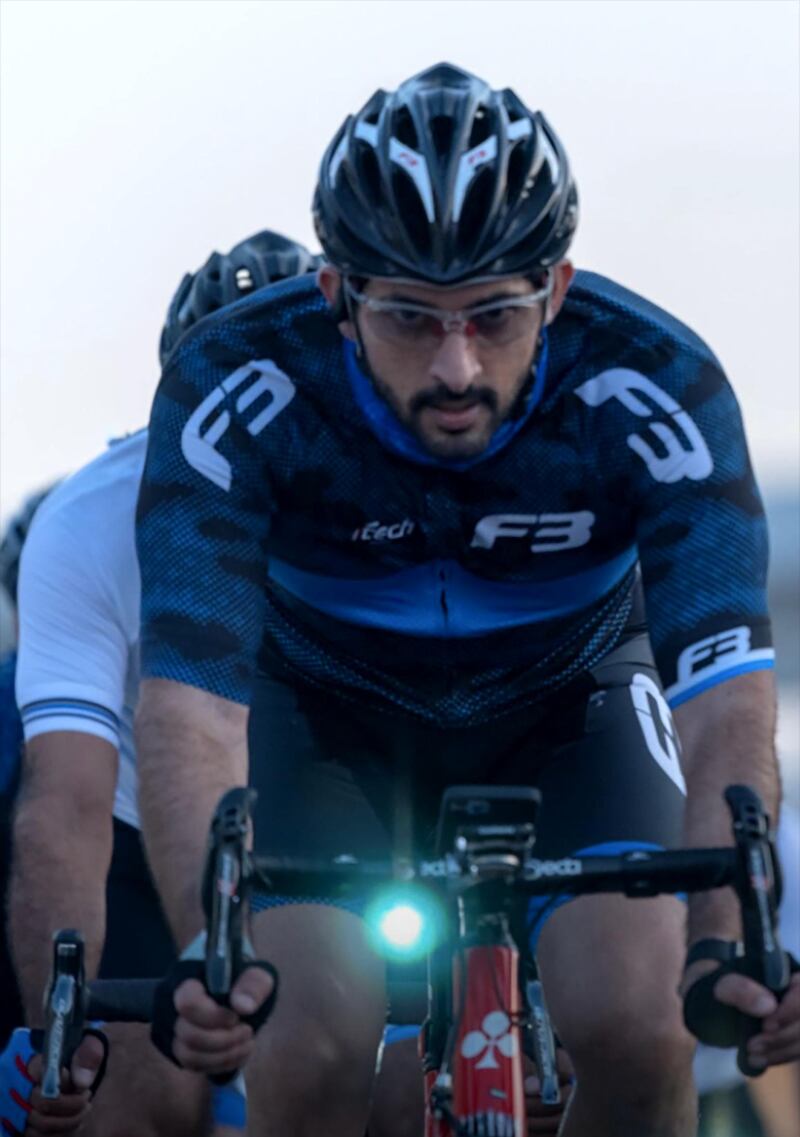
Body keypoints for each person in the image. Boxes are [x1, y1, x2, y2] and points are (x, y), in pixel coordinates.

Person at [133, 62, 793, 1137]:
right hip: (322, 716)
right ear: (336, 295)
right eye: (407, 315)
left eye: (493, 314)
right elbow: (191, 712)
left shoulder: (655, 383)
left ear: (559, 291)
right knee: (308, 1048)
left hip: (568, 703)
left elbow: (722, 697)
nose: (454, 365)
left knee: (637, 1024)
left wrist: (727, 939)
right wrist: (209, 950)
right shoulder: (235, 386)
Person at [2, 230, 320, 1137]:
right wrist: (57, 1031)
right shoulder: (89, 523)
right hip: (148, 838)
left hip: (340, 826)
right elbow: (64, 802)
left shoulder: (402, 491)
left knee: (394, 1086)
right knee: (134, 1103)